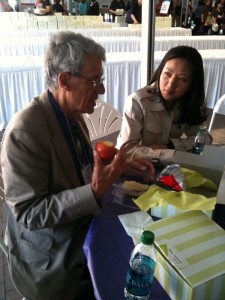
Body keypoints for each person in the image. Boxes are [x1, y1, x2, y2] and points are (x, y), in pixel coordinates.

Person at [0, 31, 155, 300]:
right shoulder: (25, 131)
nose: (102, 89)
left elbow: (79, 165)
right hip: (49, 259)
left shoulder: (70, 113)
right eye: (94, 81)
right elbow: (29, 214)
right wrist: (93, 192)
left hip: (79, 230)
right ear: (64, 81)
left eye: (101, 79)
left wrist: (120, 164)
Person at [116, 45, 208, 166]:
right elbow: (126, 152)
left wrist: (171, 145)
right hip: (137, 168)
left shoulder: (186, 103)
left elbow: (204, 139)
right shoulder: (137, 101)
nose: (171, 84)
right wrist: (166, 153)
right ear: (160, 71)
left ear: (192, 85)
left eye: (182, 79)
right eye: (167, 74)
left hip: (168, 167)